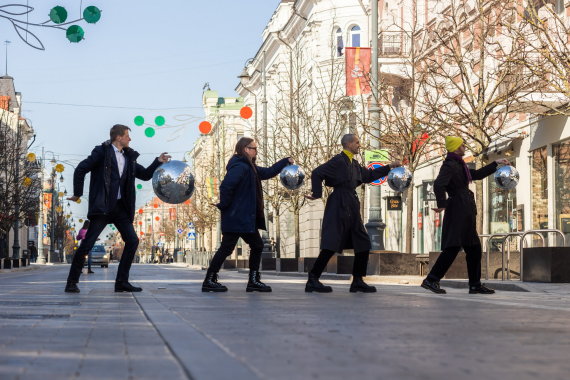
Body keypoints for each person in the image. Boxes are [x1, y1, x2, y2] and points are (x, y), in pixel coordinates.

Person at [64, 124, 170, 293]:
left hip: (121, 207)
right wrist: (77, 193)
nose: (130, 139)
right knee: (87, 244)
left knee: (133, 240)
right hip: (103, 207)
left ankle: (122, 281)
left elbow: (144, 175)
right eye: (127, 135)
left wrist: (158, 162)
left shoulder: (129, 157)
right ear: (118, 137)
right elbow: (81, 169)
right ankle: (71, 282)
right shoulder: (101, 152)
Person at [304, 134, 401, 293]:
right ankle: (313, 279)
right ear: (348, 144)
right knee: (330, 245)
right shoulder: (338, 161)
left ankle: (357, 280)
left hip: (351, 205)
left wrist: (390, 166)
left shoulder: (354, 164)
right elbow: (317, 173)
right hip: (339, 204)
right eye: (357, 142)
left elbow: (369, 176)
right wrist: (317, 193)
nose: (359, 145)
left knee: (362, 243)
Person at [202, 137, 292, 292]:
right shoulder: (240, 166)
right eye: (254, 148)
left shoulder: (250, 168)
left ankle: (251, 280)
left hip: (241, 218)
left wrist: (285, 161)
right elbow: (226, 186)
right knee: (230, 248)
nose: (256, 151)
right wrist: (224, 205)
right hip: (238, 217)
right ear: (245, 149)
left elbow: (269, 171)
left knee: (254, 245)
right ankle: (211, 280)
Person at [421, 136, 509, 295]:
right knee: (453, 247)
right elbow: (438, 184)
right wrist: (442, 204)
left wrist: (496, 164)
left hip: (464, 209)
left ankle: (474, 285)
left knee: (474, 248)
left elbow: (476, 174)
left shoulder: (458, 164)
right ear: (455, 147)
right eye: (462, 145)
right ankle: (431, 279)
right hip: (459, 210)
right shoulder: (450, 165)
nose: (464, 147)